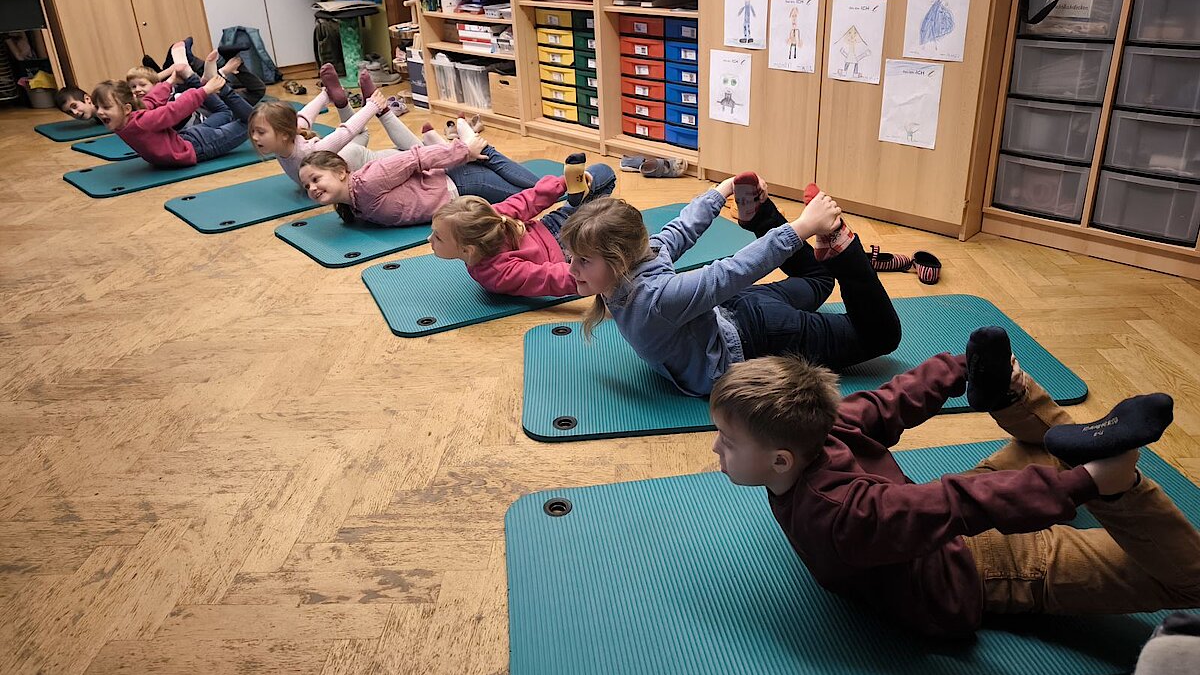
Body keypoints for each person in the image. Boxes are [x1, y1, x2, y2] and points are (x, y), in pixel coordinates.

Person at [709, 325, 1200, 638]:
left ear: (781, 461)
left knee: (1191, 581)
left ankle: (1106, 476)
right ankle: (1101, 473)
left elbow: (892, 402)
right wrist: (1079, 486)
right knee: (1045, 463)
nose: (715, 449)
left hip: (954, 553)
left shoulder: (830, 474)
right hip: (947, 557)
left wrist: (966, 369)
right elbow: (949, 503)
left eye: (727, 441)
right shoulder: (836, 497)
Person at [556, 174, 901, 397]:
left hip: (760, 334)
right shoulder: (637, 262)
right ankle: (763, 216)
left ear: (620, 260)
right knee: (819, 279)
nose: (572, 269)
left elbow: (731, 271)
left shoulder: (654, 301)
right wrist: (723, 190)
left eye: (583, 260)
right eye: (572, 257)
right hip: (739, 312)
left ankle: (842, 244)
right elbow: (681, 230)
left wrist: (805, 226)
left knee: (881, 337)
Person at [297, 119, 547, 227]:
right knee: (535, 193)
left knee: (538, 191)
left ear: (341, 172)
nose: (312, 188)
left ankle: (481, 147)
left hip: (461, 183)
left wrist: (463, 150)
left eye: (315, 179)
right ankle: (470, 144)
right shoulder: (353, 204)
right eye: (307, 186)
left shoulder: (369, 181)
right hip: (455, 188)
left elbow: (415, 158)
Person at [429, 158, 617, 298]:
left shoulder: (486, 223)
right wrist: (596, 276)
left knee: (603, 173)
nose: (429, 239)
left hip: (554, 229)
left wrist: (564, 183)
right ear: (467, 250)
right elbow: (548, 277)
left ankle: (582, 209)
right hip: (565, 247)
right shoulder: (499, 273)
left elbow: (528, 200)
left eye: (437, 236)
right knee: (603, 178)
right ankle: (584, 212)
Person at [248, 68, 418, 184]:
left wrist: (372, 106)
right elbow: (303, 119)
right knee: (365, 136)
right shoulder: (288, 140)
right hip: (344, 158)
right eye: (254, 131)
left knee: (416, 153)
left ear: (284, 133)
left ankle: (381, 110)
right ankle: (345, 104)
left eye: (261, 132)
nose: (254, 137)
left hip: (350, 159)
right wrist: (325, 96)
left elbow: (344, 132)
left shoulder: (307, 152)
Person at [91, 63, 253, 168]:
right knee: (224, 113)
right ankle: (199, 78)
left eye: (106, 107)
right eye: (97, 107)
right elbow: (149, 101)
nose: (99, 112)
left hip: (199, 147)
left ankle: (220, 85)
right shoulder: (123, 120)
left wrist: (205, 91)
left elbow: (175, 110)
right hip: (187, 139)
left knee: (251, 123)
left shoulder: (141, 121)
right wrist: (169, 82)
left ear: (127, 109)